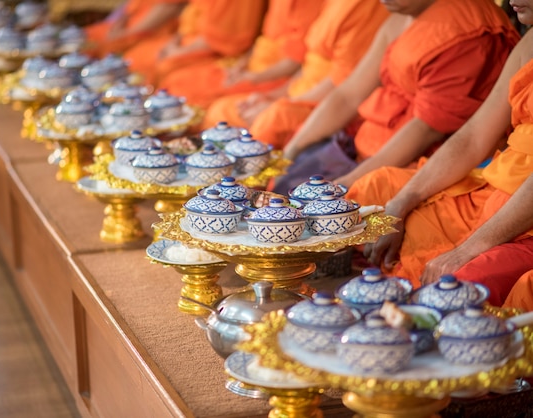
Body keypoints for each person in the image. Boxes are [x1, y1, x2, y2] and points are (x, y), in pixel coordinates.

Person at [345, 0, 533, 308]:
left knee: (461, 287)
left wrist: (469, 249)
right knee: (378, 204)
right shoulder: (529, 43)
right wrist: (401, 203)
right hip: (494, 194)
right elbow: (474, 137)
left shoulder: (462, 26)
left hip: (523, 217)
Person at [271, 0, 520, 196]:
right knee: (285, 183)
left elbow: (425, 130)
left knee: (327, 209)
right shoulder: (401, 15)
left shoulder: (464, 32)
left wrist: (346, 183)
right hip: (363, 145)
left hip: (415, 162)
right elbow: (349, 93)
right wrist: (293, 150)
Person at [202, 0, 390, 148]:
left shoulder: (367, 6)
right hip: (300, 89)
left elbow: (344, 85)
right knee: (220, 109)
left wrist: (279, 99)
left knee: (269, 119)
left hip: (327, 102)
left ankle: (244, 190)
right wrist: (272, 95)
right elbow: (308, 63)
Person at [158, 0, 324, 109]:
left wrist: (253, 77)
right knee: (175, 82)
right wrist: (242, 65)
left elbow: (294, 61)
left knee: (203, 100)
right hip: (253, 67)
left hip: (274, 77)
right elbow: (262, 39)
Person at [122, 0, 266, 86]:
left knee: (173, 78)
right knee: (134, 58)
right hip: (187, 42)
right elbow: (189, 15)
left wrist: (178, 52)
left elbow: (225, 38)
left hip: (215, 52)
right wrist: (174, 42)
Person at [83, 0, 187, 59]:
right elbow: (130, 7)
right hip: (129, 25)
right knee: (87, 36)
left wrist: (127, 34)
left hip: (154, 32)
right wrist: (120, 23)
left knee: (134, 58)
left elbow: (169, 8)